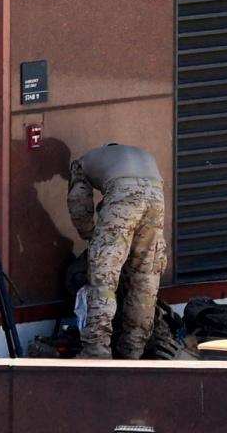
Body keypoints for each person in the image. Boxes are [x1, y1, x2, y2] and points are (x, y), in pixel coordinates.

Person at [66, 143, 166, 359]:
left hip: (123, 193)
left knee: (104, 276)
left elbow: (77, 201)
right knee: (145, 277)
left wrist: (90, 234)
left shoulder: (81, 163)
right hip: (156, 195)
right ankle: (133, 351)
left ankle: (96, 349)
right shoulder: (139, 154)